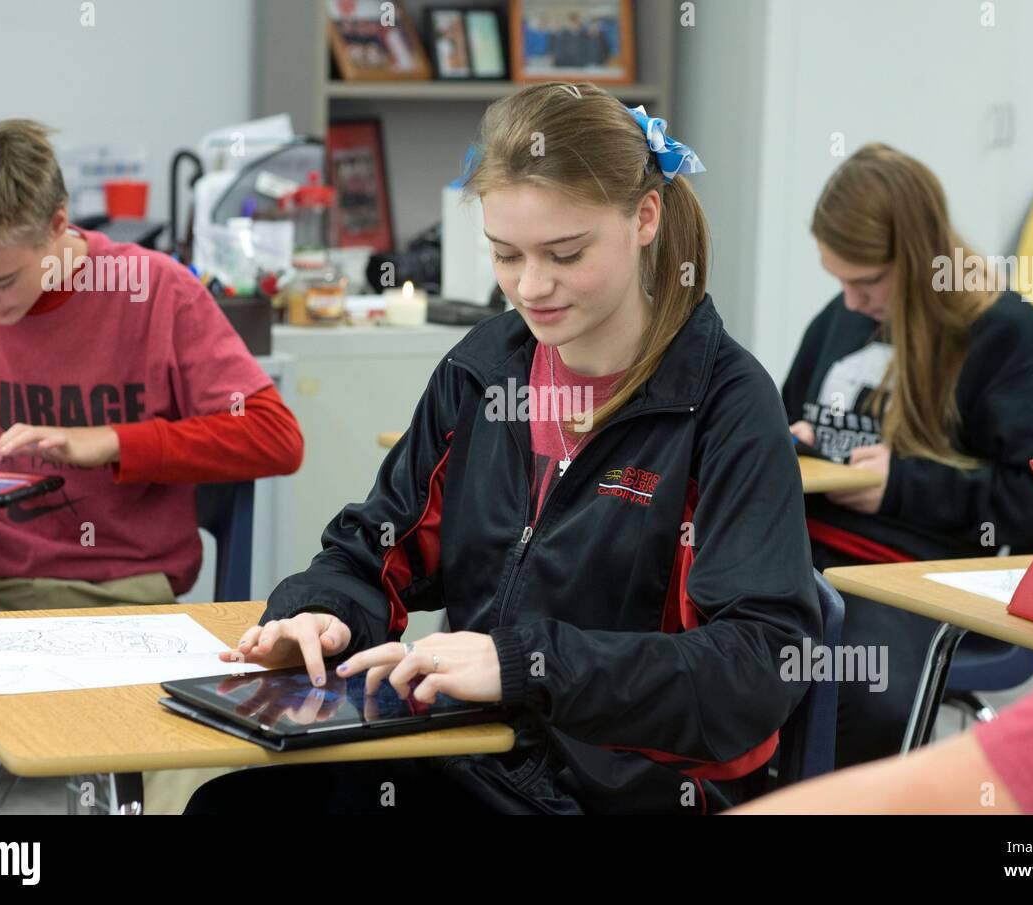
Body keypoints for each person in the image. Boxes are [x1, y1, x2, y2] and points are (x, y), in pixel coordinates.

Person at [185, 82, 821, 815]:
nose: (532, 285)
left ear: (646, 217)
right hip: (478, 755)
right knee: (231, 807)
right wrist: (322, 611)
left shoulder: (728, 404)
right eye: (505, 254)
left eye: (565, 253)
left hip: (622, 790)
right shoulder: (486, 369)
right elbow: (376, 547)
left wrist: (524, 662)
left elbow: (757, 664)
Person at [0, 119, 304, 814]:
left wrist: (113, 442)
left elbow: (274, 436)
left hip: (128, 608)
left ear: (57, 226)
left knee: (204, 762)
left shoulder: (157, 291)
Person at [781, 143, 1033, 767]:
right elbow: (783, 413)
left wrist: (902, 489)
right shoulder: (842, 318)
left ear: (920, 260)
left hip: (919, 578)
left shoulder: (1014, 342)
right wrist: (791, 443)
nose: (849, 301)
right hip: (809, 553)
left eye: (866, 281)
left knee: (862, 685)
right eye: (838, 279)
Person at [731, 564, 1033, 815]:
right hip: (832, 558)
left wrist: (899, 485)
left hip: (925, 566)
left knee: (868, 683)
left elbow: (997, 779)